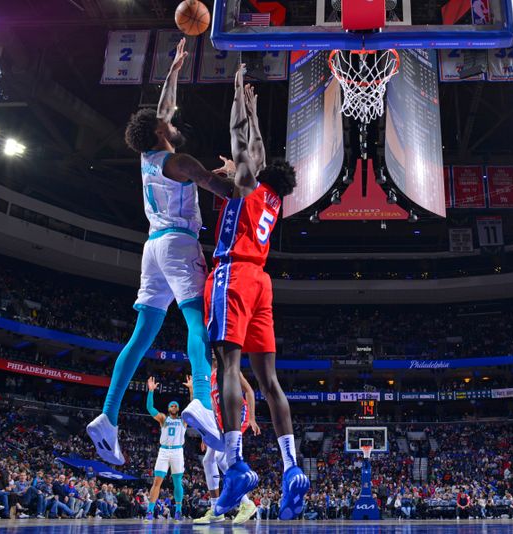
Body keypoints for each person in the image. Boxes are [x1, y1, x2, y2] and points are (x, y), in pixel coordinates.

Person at [87, 37, 233, 464]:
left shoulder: (148, 157)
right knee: (196, 322)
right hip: (178, 244)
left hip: (152, 248)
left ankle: (107, 417)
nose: (172, 121)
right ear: (158, 132)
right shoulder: (180, 162)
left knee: (141, 337)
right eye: (165, 122)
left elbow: (163, 110)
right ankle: (202, 401)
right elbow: (222, 189)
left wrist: (173, 72)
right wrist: (232, 172)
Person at [205, 64, 306, 520]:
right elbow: (258, 147)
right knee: (269, 383)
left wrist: (236, 99)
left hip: (236, 274)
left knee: (227, 363)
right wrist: (255, 107)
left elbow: (242, 143)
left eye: (236, 163)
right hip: (264, 283)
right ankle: (291, 469)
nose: (230, 163)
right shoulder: (273, 197)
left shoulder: (245, 185)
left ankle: (235, 462)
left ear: (251, 171)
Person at [194, 362, 259, 525]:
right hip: (221, 419)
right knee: (208, 460)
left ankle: (247, 504)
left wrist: (252, 417)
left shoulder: (230, 369)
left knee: (221, 459)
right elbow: (214, 409)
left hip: (238, 413)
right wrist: (207, 434)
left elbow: (249, 391)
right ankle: (216, 509)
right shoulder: (209, 379)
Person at [143, 376, 188, 522]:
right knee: (157, 481)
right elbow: (150, 408)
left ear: (178, 408)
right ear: (168, 408)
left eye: (175, 405)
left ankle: (179, 511)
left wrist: (192, 389)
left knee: (177, 482)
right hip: (164, 451)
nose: (174, 407)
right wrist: (151, 391)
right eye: (171, 405)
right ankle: (150, 511)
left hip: (177, 451)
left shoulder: (183, 419)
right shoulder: (163, 418)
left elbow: (195, 406)